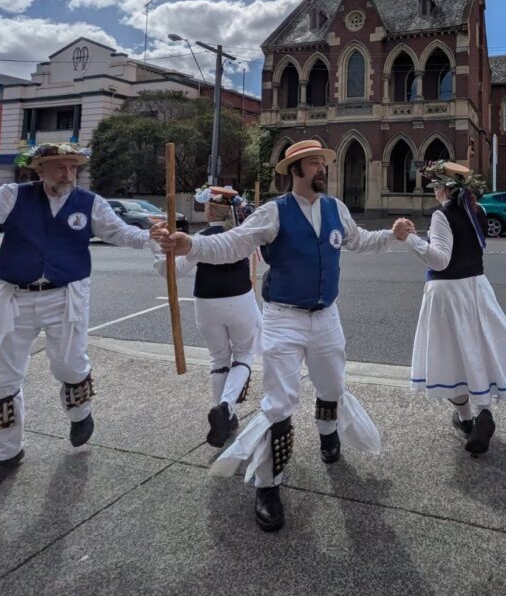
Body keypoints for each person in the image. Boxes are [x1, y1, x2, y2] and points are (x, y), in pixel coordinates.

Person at [154, 138, 413, 532]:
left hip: (326, 315)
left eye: (322, 163)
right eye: (312, 164)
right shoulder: (273, 212)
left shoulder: (335, 208)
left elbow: (360, 239)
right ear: (294, 171)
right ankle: (268, 485)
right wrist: (192, 244)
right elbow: (232, 243)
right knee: (278, 402)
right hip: (283, 317)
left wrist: (392, 235)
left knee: (331, 385)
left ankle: (328, 436)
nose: (321, 169)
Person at [0, 143, 151, 491]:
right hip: (15, 295)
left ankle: (80, 414)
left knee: (69, 365)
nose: (68, 175)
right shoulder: (14, 196)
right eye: (59, 168)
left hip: (64, 295)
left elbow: (119, 232)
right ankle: (6, 453)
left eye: (73, 168)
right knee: (2, 376)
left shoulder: (89, 203)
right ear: (40, 169)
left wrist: (152, 237)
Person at [404, 160, 506, 455]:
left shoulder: (443, 214)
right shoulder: (475, 211)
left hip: (448, 291)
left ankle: (466, 418)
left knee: (452, 356)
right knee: (476, 349)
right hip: (476, 287)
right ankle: (481, 413)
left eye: (435, 186)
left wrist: (409, 238)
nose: (434, 191)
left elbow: (439, 259)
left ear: (443, 187)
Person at [153, 185, 262, 448]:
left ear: (210, 209)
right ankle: (225, 406)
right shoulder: (241, 236)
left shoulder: (200, 238)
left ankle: (226, 416)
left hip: (206, 302)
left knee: (219, 358)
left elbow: (170, 271)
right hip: (239, 298)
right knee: (245, 353)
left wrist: (157, 245)